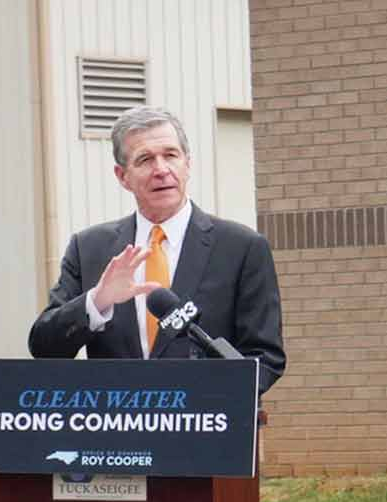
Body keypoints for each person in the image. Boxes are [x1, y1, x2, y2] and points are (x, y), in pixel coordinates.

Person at [29, 106, 285, 393]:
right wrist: (97, 301)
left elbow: (266, 358)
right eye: (145, 159)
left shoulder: (242, 248)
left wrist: (208, 403)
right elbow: (44, 347)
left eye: (171, 155)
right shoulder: (89, 249)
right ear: (122, 176)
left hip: (205, 425)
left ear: (188, 164)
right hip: (116, 429)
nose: (161, 170)